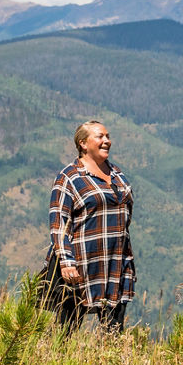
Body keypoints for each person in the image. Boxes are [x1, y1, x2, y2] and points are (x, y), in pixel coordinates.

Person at [46, 119, 135, 333]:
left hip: (115, 263)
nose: (107, 141)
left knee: (114, 331)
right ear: (83, 143)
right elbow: (58, 222)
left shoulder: (117, 174)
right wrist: (66, 262)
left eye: (108, 136)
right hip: (81, 264)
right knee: (67, 330)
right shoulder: (70, 177)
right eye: (100, 137)